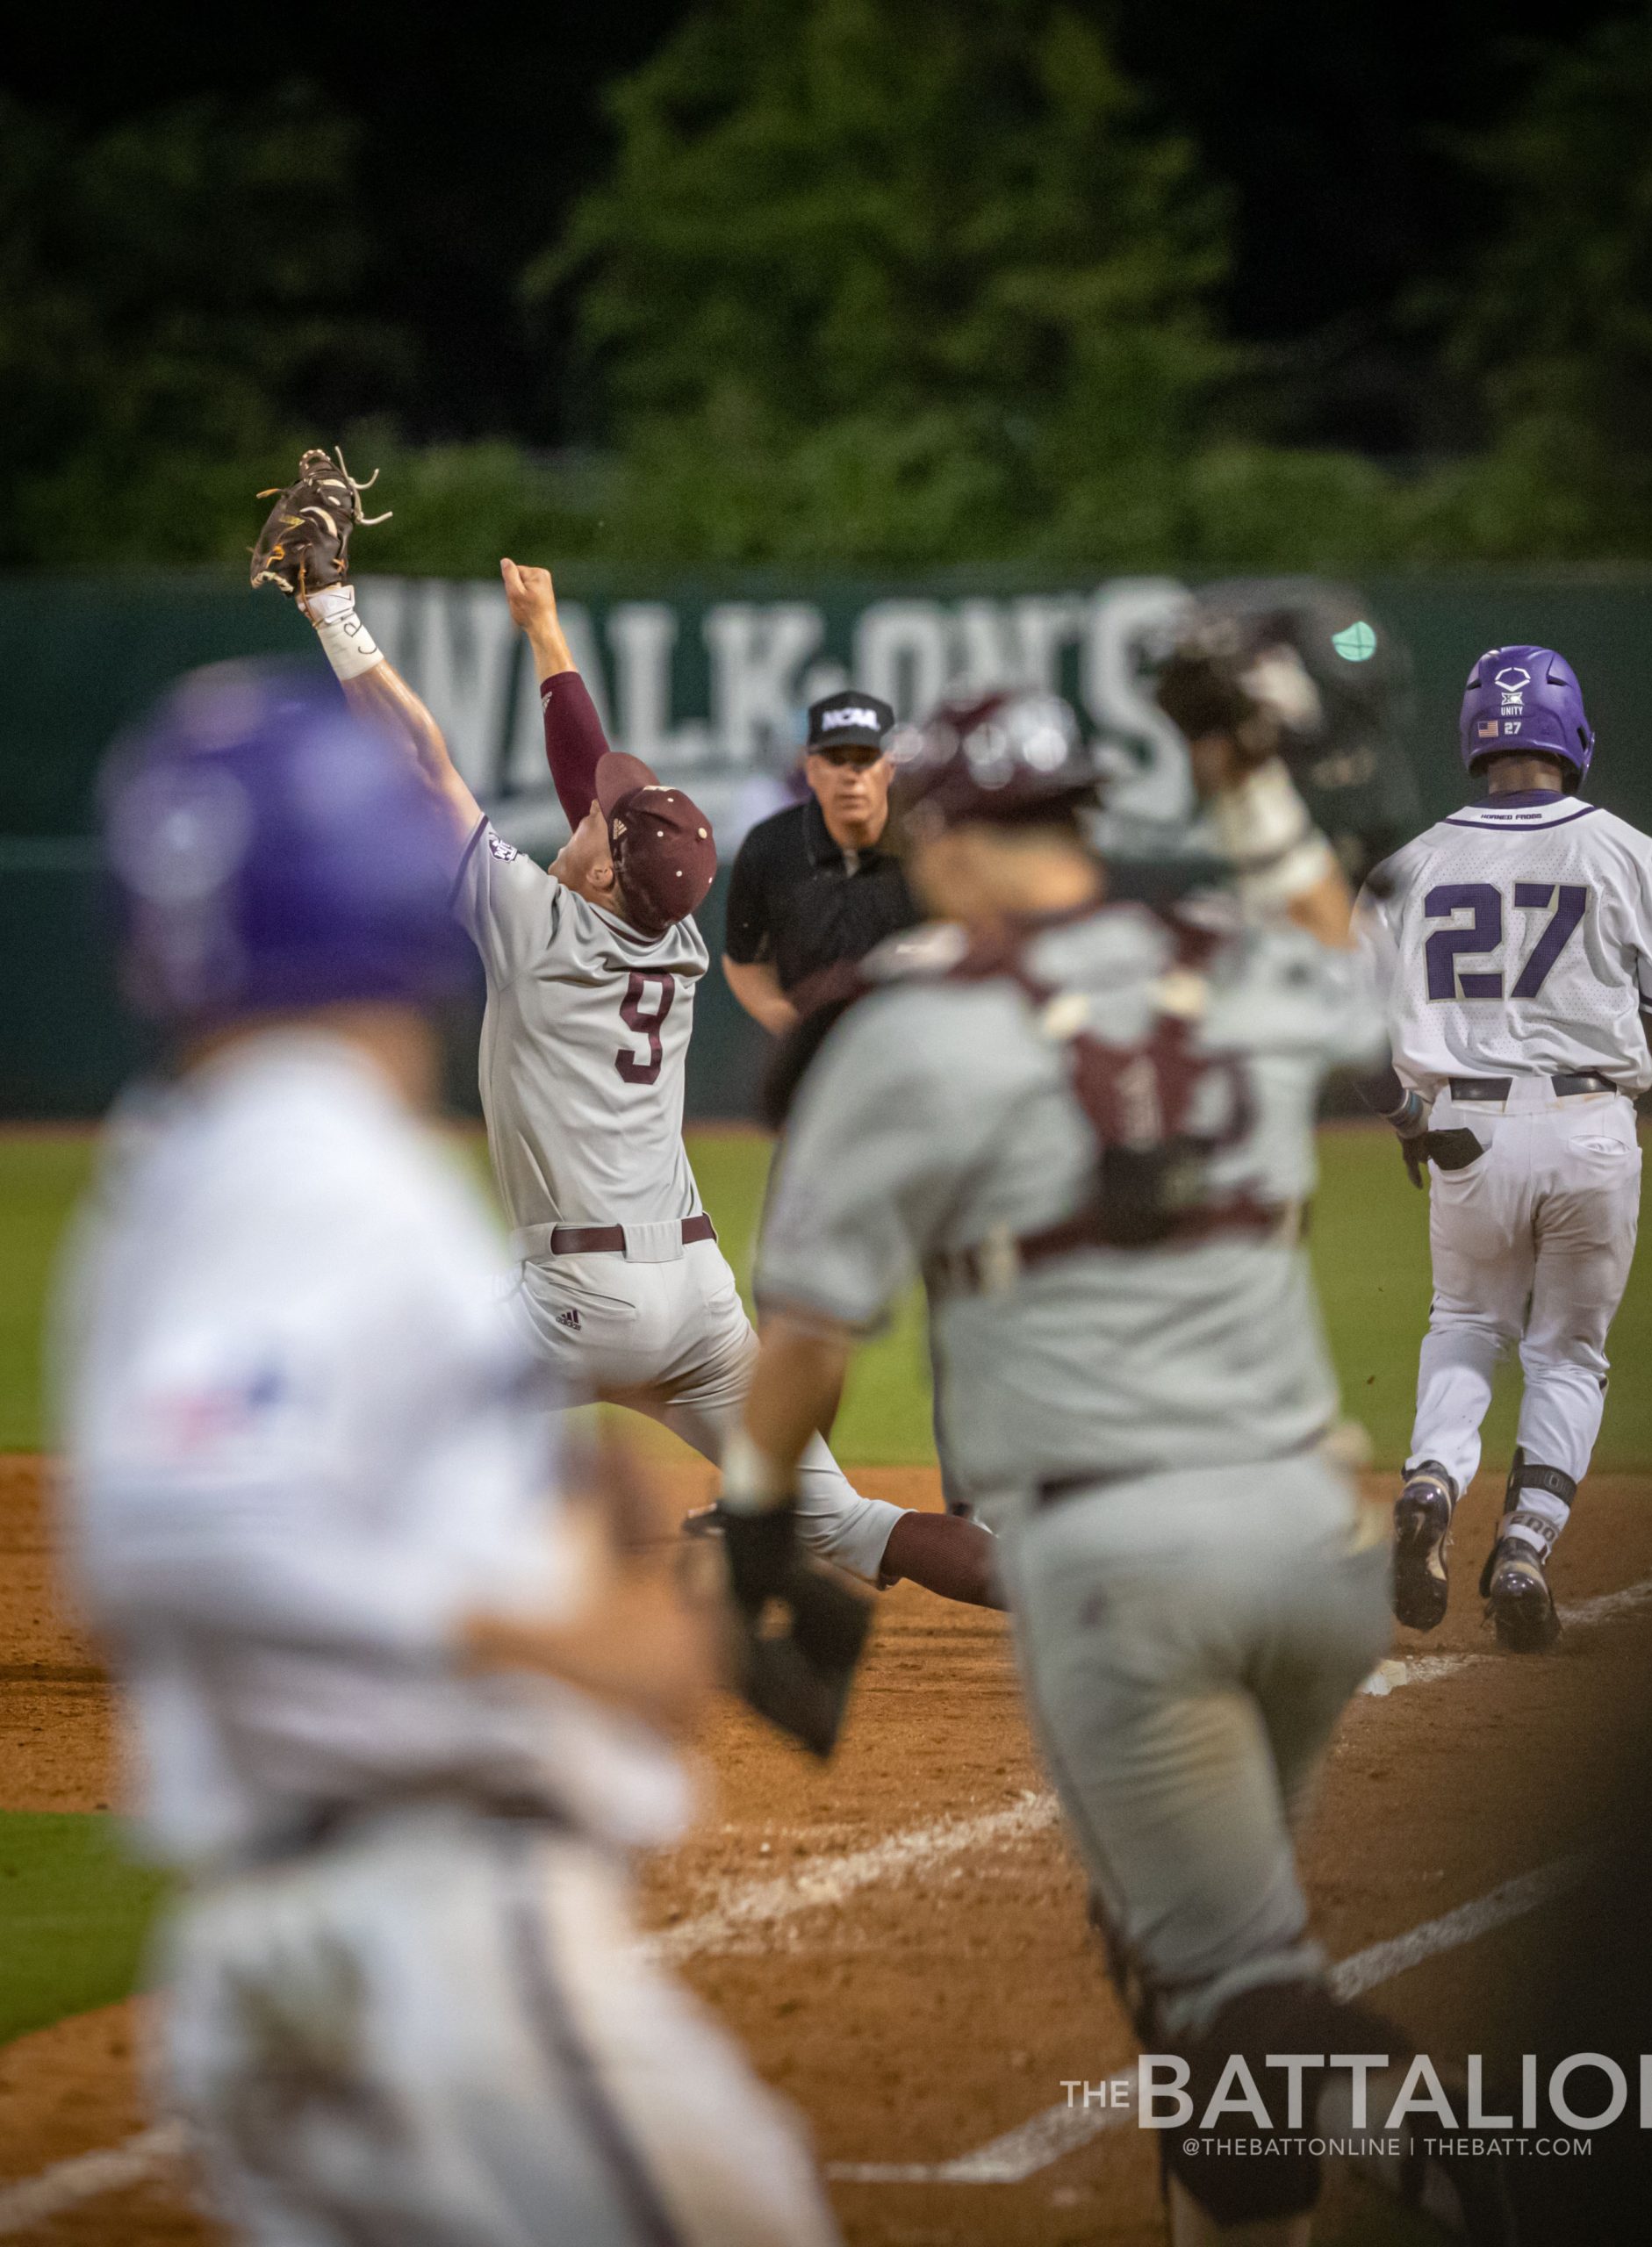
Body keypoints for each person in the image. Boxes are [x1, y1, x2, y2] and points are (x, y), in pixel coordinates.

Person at [715, 646, 1511, 2243]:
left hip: (1116, 1568)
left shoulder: (909, 1020)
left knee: (1228, 1981)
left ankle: (1433, 2152)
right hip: (1307, 1536)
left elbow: (800, 1347)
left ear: (941, 837)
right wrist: (1240, 772)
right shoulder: (1218, 953)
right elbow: (1341, 962)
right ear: (1083, 812)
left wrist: (752, 1539)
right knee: (1192, 1951)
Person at [54, 656, 841, 2246]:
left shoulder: (206, 1157)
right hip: (441, 1946)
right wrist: (533, 1631)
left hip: (319, 1929)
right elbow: (165, 1514)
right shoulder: (320, 1163)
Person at [265, 457, 995, 1610]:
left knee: (359, 1421)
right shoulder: (674, 929)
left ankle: (313, 1635)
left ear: (603, 867)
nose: (592, 809)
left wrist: (331, 608)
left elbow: (421, 763)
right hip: (697, 1298)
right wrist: (547, 637)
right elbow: (592, 793)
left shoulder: (534, 919)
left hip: (575, 1304)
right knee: (848, 1520)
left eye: (604, 821)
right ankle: (1094, 1592)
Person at [1357, 645, 1652, 1653]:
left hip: (1466, 1128)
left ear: (1471, 739)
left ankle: (1432, 1481)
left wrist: (1405, 1120)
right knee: (1566, 1352)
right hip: (1590, 1127)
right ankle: (1522, 1545)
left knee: (1464, 1326)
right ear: (1573, 737)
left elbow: (1346, 1035)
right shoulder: (1625, 850)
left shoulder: (1410, 862)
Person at [722, 689, 921, 1036]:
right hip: (815, 1049)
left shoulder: (927, 847)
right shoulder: (770, 845)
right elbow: (744, 961)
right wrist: (792, 1028)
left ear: (890, 767)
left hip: (912, 1042)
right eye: (835, 758)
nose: (850, 774)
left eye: (864, 757)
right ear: (811, 766)